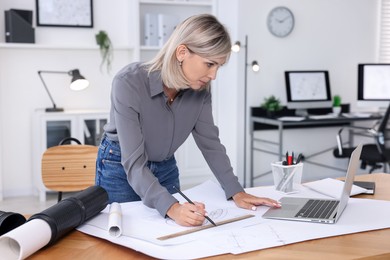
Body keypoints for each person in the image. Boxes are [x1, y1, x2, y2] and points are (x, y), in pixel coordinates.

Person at [96, 14, 281, 227]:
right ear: (182, 52)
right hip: (121, 168)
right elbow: (134, 163)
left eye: (218, 66)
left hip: (166, 168)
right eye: (209, 64)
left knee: (172, 240)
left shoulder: (200, 91)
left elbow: (211, 144)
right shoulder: (128, 83)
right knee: (121, 239)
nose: (213, 75)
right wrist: (171, 207)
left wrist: (236, 191)